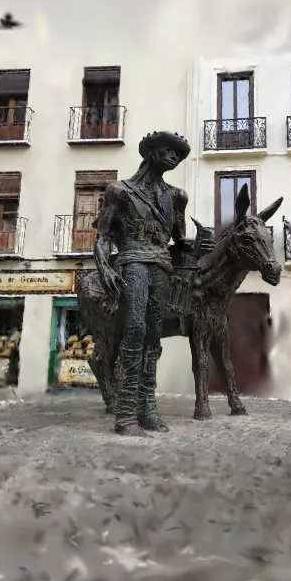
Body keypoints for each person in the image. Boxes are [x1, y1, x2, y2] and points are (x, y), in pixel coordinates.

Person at [93, 130, 190, 435]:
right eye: (168, 151)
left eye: (178, 154)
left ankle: (147, 408)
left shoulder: (177, 197)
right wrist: (104, 267)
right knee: (134, 331)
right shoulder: (119, 191)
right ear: (150, 153)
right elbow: (103, 237)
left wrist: (202, 245)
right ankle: (124, 415)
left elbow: (179, 240)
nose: (174, 158)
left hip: (162, 267)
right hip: (132, 262)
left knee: (153, 338)